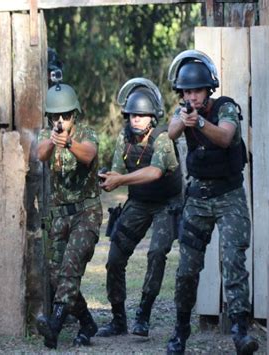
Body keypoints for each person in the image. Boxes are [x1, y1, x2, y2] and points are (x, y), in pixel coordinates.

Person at [165, 50, 258, 355]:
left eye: (196, 90)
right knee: (187, 270)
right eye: (187, 91)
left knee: (233, 263)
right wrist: (186, 119)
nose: (191, 96)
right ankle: (179, 332)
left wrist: (201, 123)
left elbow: (227, 137)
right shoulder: (185, 110)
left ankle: (240, 332)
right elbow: (171, 132)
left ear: (209, 90)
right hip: (198, 199)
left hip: (229, 197)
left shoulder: (226, 107)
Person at [96, 78, 183, 338]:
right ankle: (118, 319)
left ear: (152, 118)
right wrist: (106, 179)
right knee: (114, 258)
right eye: (133, 115)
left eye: (142, 115)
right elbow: (117, 171)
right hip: (138, 201)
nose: (136, 120)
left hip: (166, 204)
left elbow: (155, 172)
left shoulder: (164, 138)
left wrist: (119, 180)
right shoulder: (125, 138)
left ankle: (143, 316)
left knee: (156, 253)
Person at [36, 83, 102, 349]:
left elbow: (89, 155)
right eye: (55, 116)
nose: (60, 120)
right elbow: (40, 155)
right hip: (60, 215)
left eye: (65, 115)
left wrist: (70, 142)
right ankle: (87, 322)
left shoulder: (87, 133)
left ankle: (55, 325)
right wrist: (53, 141)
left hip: (86, 212)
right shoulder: (48, 134)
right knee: (56, 275)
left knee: (70, 269)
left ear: (75, 114)